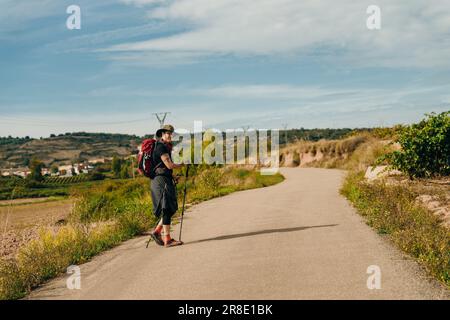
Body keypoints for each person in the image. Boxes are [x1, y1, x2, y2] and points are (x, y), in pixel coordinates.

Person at [149, 124, 184, 247]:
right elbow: (169, 165)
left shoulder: (165, 147)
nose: (170, 135)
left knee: (169, 208)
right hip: (160, 182)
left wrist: (173, 176)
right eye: (168, 133)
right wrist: (180, 165)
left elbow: (163, 167)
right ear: (162, 134)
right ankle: (167, 240)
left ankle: (157, 232)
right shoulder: (161, 147)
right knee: (166, 208)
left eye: (171, 133)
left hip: (162, 179)